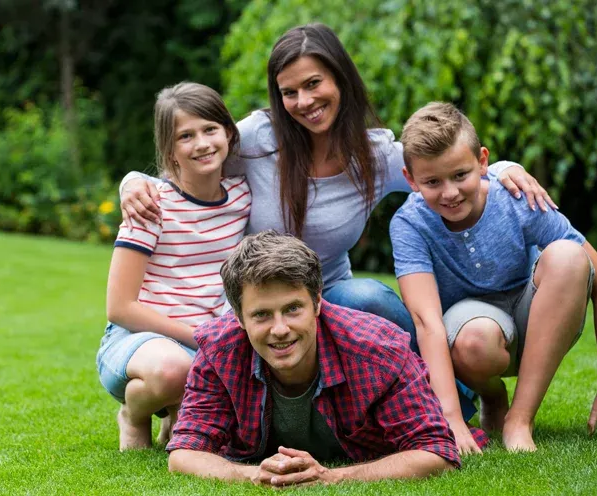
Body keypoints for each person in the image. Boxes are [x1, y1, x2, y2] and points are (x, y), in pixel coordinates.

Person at [116, 23, 553, 351]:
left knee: (370, 296)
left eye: (313, 84)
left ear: (340, 79)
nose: (304, 102)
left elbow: (443, 162)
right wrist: (133, 180)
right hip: (260, 297)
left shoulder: (375, 157)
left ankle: (451, 396)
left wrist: (502, 167)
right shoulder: (256, 139)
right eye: (289, 92)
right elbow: (195, 157)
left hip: (330, 294)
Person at [390, 102, 597, 453]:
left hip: (539, 315)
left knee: (569, 256)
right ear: (411, 180)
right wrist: (452, 419)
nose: (449, 192)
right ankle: (493, 397)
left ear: (483, 161)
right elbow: (427, 322)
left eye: (460, 175)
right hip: (474, 333)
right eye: (432, 182)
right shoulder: (409, 225)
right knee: (474, 341)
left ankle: (520, 420)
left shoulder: (518, 197)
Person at [167, 232, 461, 487]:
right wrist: (252, 475)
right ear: (239, 317)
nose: (280, 329)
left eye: (293, 308)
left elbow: (436, 452)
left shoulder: (377, 350)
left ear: (317, 302)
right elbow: (185, 453)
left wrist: (333, 477)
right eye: (261, 314)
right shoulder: (219, 351)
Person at [98, 82, 251, 450]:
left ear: (229, 133)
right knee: (172, 370)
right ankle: (134, 415)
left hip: (208, 341)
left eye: (210, 129)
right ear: (170, 150)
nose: (201, 144)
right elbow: (119, 308)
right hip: (139, 341)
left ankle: (180, 413)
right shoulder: (150, 206)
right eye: (186, 136)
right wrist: (198, 335)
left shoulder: (243, 196)